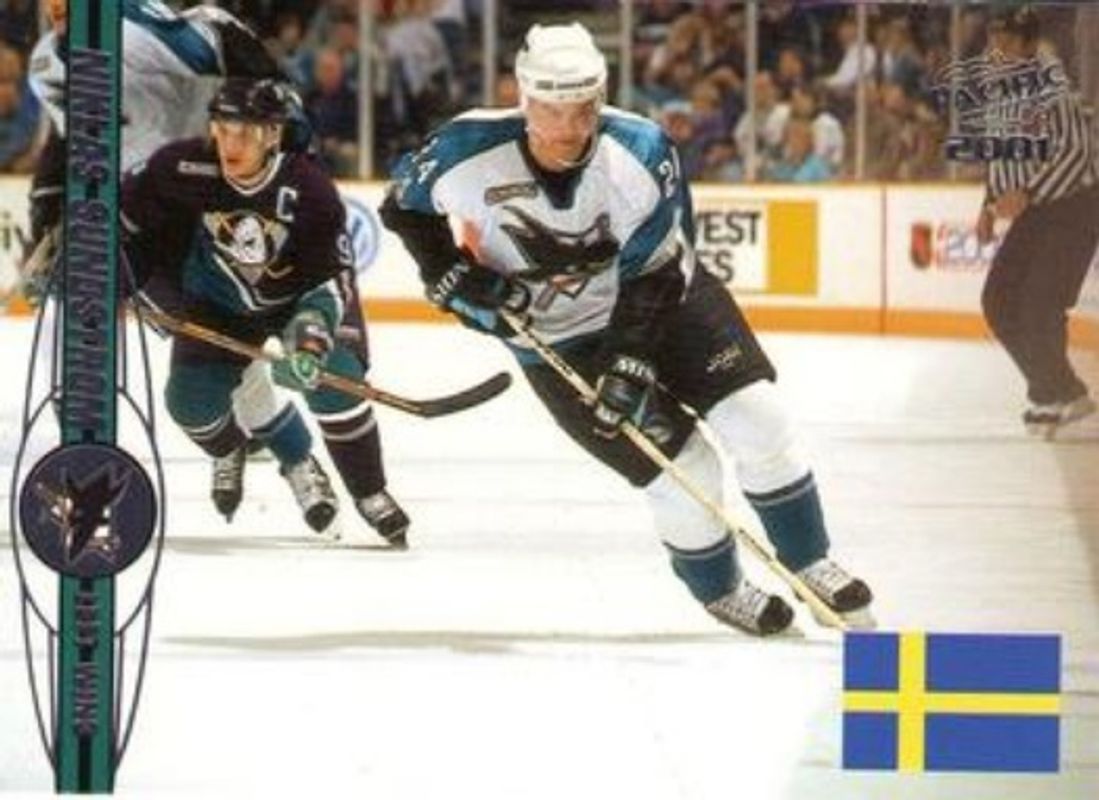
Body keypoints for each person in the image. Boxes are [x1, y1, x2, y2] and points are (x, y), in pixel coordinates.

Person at [379, 23, 873, 635]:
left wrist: (630, 359)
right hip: (557, 339)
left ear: (602, 96)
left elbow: (660, 270)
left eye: (583, 109)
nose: (569, 128)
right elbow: (402, 208)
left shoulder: (640, 149)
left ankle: (810, 560)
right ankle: (721, 589)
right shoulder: (464, 150)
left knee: (759, 419)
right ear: (523, 99)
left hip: (664, 301)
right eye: (551, 110)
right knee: (684, 469)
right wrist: (447, 272)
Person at [24, 0, 410, 543]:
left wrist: (272, 176)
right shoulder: (49, 61)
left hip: (220, 214)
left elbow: (274, 98)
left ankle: (319, 470)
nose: (54, 8)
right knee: (210, 376)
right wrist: (52, 220)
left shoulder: (175, 32)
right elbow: (72, 140)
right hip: (158, 226)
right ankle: (280, 456)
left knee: (301, 369)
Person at [121, 77, 408, 547]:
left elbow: (331, 279)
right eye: (223, 129)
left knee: (335, 385)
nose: (230, 145)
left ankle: (370, 493)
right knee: (190, 405)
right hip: (219, 304)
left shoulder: (310, 189)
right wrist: (81, 251)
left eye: (245, 132)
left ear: (273, 134)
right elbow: (121, 217)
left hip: (300, 302)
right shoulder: (182, 166)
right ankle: (237, 449)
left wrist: (310, 341)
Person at [976, 6, 1099, 436]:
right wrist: (988, 204)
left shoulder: (1052, 85)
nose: (998, 49)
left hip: (1074, 205)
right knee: (998, 300)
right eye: (994, 40)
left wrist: (1026, 193)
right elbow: (1002, 157)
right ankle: (1056, 391)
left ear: (1029, 45)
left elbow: (1077, 151)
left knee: (1040, 304)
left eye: (1008, 41)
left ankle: (1059, 394)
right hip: (1038, 209)